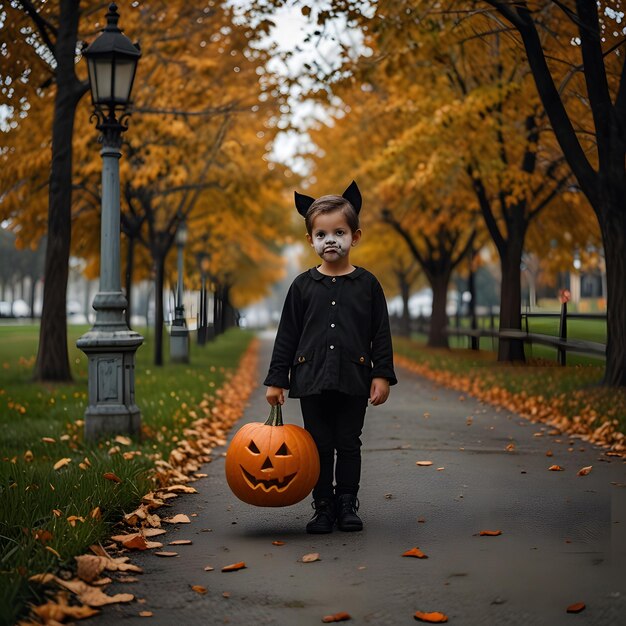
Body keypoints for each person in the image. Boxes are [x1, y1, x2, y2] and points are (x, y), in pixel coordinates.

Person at [264, 180, 397, 534]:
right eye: (322, 234)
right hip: (311, 380)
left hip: (354, 378)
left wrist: (381, 374)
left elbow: (379, 333)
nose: (331, 240)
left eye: (339, 232)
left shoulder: (368, 285)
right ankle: (322, 506)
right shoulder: (302, 286)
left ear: (355, 237)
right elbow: (287, 336)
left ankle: (346, 503)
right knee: (318, 445)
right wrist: (277, 379)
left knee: (349, 443)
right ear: (311, 241)